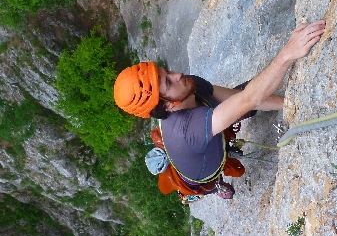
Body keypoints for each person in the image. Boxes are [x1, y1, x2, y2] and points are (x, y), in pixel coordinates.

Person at [113, 20, 325, 199]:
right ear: (167, 105)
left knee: (248, 98)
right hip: (202, 171)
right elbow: (251, 97)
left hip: (203, 129)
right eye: (168, 82)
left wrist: (292, 103)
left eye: (166, 72)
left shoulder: (188, 86)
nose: (177, 75)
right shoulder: (187, 129)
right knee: (248, 98)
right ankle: (215, 188)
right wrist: (287, 53)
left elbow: (244, 98)